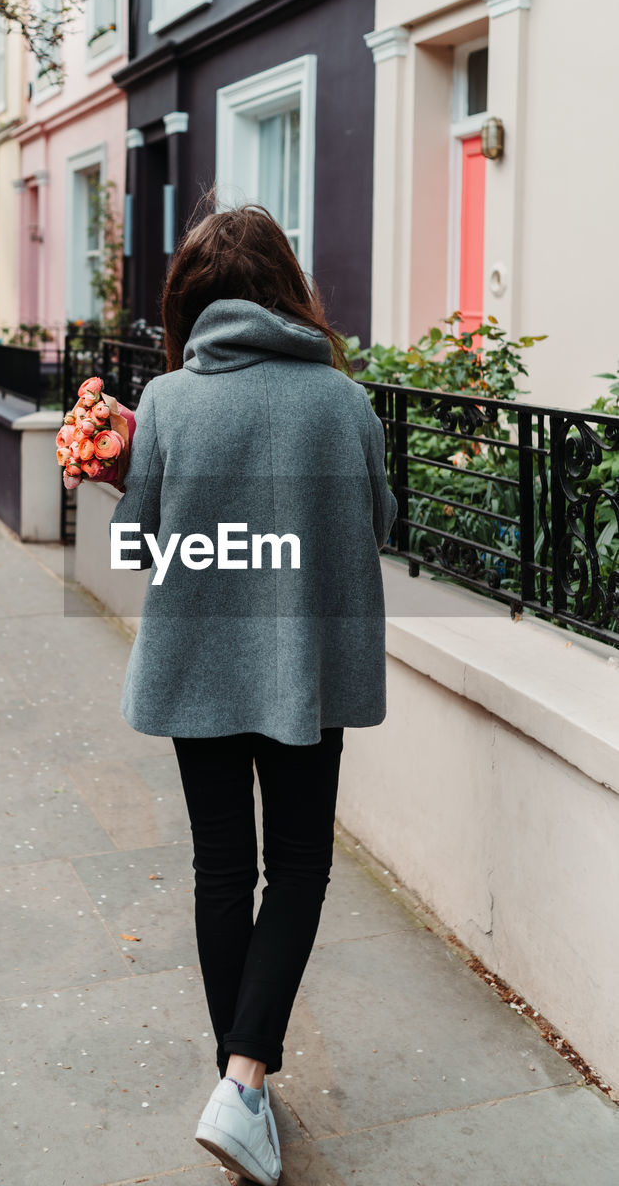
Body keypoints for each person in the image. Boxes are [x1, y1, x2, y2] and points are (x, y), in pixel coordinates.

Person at [109, 203, 398, 1186]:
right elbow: (379, 520)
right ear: (288, 291)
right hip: (305, 671)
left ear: (191, 301)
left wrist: (129, 468)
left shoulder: (171, 402)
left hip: (196, 667)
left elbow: (137, 545)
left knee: (222, 869)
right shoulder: (341, 404)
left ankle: (237, 1090)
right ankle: (242, 1081)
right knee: (300, 867)